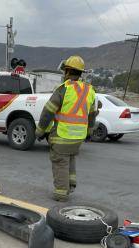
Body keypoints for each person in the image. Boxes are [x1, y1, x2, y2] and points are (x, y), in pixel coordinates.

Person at [35, 56, 97, 202]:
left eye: (65, 71)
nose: (64, 74)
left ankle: (61, 193)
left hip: (63, 135)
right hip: (78, 137)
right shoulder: (90, 90)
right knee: (70, 158)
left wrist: (39, 131)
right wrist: (89, 132)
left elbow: (48, 112)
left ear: (68, 71)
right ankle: (71, 184)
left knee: (60, 162)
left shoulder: (64, 89)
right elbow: (92, 115)